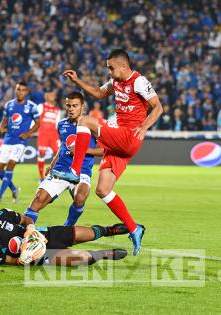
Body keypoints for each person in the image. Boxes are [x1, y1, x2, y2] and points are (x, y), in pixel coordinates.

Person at [60, 49, 164, 255]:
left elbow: (158, 107)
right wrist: (78, 81)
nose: (109, 71)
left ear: (123, 66)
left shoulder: (139, 81)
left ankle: (74, 171)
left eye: (111, 67)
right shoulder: (115, 82)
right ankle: (134, 229)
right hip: (121, 144)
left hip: (129, 136)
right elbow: (99, 93)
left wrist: (143, 128)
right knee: (103, 190)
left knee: (84, 120)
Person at [24, 92, 103, 226]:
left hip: (81, 172)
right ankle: (25, 234)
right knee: (38, 199)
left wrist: (83, 150)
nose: (71, 109)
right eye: (68, 106)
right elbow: (62, 147)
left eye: (75, 106)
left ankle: (67, 228)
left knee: (80, 198)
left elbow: (105, 149)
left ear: (82, 106)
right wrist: (52, 164)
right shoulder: (61, 124)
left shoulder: (93, 124)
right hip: (61, 169)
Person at [0, 209, 129, 266]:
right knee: (79, 258)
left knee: (89, 233)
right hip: (36, 256)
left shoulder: (2, 215)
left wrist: (30, 229)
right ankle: (104, 254)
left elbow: (26, 220)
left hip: (44, 235)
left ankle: (111, 230)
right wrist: (22, 259)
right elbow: (10, 261)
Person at [0, 81, 40, 204]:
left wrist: (28, 134)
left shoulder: (32, 106)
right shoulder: (9, 105)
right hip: (8, 139)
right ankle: (14, 189)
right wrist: (1, 126)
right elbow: (5, 119)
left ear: (27, 92)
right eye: (18, 89)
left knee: (11, 163)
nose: (20, 92)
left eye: (23, 90)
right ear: (15, 91)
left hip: (20, 141)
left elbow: (38, 123)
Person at [36, 90, 61, 180]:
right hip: (43, 134)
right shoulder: (41, 107)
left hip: (54, 134)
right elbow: (35, 118)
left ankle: (56, 174)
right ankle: (41, 177)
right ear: (46, 96)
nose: (53, 96)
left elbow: (57, 123)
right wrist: (32, 129)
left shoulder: (57, 110)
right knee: (41, 154)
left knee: (58, 154)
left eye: (54, 94)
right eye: (51, 94)